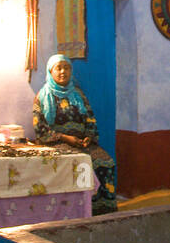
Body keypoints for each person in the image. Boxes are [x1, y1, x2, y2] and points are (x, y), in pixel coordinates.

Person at [32, 54, 117, 214]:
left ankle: (103, 210)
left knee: (105, 162)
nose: (63, 72)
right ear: (51, 71)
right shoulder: (42, 96)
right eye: (59, 68)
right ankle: (80, 210)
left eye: (67, 68)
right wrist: (64, 138)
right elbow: (40, 130)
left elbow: (90, 119)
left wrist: (88, 137)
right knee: (79, 164)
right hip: (56, 144)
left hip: (81, 143)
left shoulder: (78, 94)